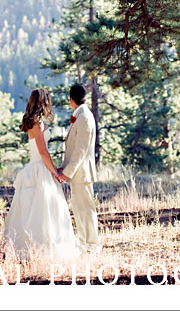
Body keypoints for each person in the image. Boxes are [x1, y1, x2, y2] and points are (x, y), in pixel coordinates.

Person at [3, 88, 81, 260]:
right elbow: (43, 152)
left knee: (42, 209)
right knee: (43, 210)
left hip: (38, 166)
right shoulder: (37, 123)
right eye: (48, 99)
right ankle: (41, 249)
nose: (49, 102)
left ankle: (35, 247)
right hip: (39, 168)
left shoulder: (34, 121)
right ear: (43, 102)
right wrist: (55, 172)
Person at [57, 84, 101, 254]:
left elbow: (80, 150)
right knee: (79, 208)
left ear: (71, 100)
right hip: (76, 172)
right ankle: (84, 243)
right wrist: (65, 168)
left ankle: (92, 244)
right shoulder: (81, 115)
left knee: (86, 208)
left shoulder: (84, 117)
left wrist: (67, 172)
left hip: (81, 172)